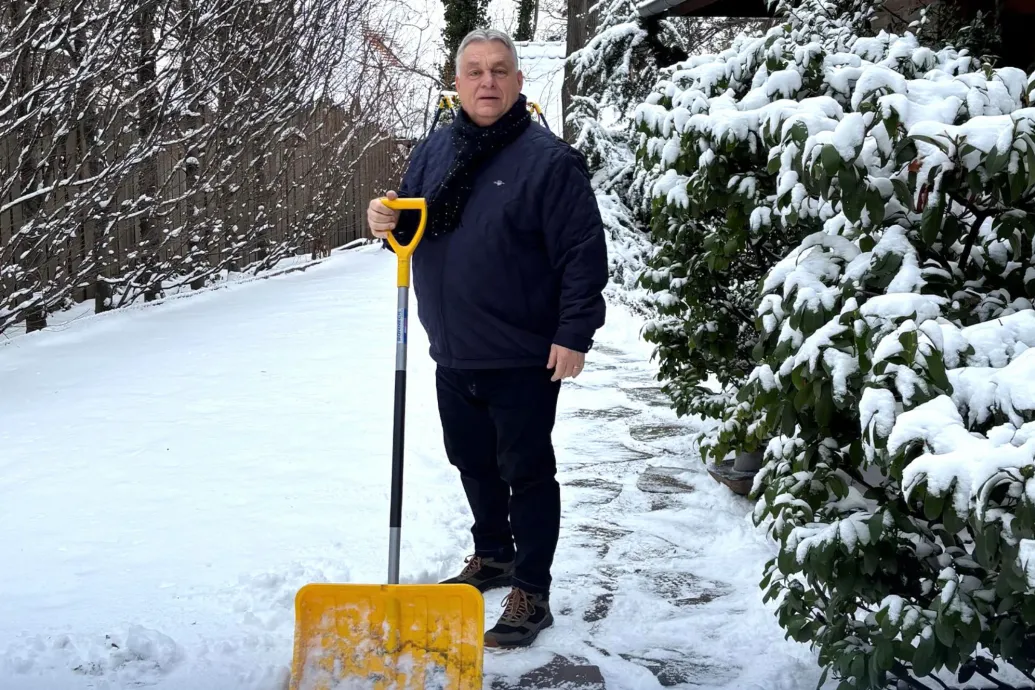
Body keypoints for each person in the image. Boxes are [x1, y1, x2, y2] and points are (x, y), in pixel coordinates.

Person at [366, 28, 608, 649]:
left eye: (500, 70)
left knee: (525, 471)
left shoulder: (549, 161)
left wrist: (574, 333)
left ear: (519, 82)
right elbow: (410, 225)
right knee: (471, 460)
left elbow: (583, 253)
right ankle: (494, 554)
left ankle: (533, 587)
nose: (487, 82)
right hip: (453, 348)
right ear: (457, 81)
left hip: (523, 352)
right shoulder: (435, 150)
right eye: (474, 71)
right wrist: (383, 220)